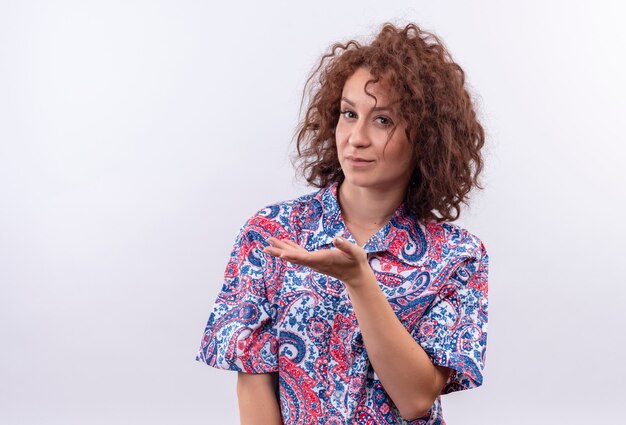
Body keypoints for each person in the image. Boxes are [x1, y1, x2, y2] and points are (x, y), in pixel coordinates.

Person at [195, 22, 489, 425]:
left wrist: (358, 280)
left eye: (382, 120)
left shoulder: (459, 256)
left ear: (426, 137)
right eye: (349, 114)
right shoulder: (271, 232)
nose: (356, 137)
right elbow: (253, 379)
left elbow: (416, 398)